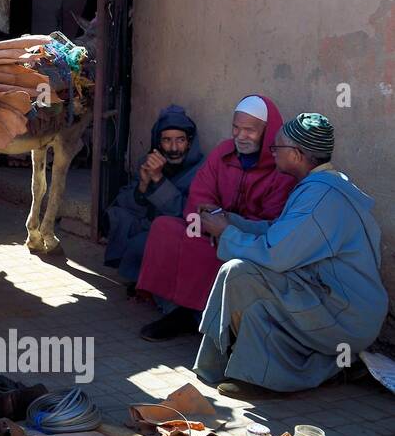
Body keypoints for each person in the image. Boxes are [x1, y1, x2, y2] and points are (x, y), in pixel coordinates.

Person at [195, 114, 387, 398]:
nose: (271, 153)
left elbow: (275, 253)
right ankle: (256, 369)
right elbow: (279, 233)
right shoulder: (321, 186)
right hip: (330, 298)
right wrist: (232, 222)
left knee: (238, 274)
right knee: (248, 286)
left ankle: (265, 375)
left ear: (296, 154)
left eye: (277, 148)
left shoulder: (321, 196)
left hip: (345, 314)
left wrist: (225, 232)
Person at [135, 95, 296, 341]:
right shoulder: (223, 153)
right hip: (209, 230)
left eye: (250, 130)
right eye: (236, 128)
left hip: (245, 242)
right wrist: (210, 222)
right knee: (165, 228)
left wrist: (228, 230)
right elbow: (200, 196)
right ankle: (177, 309)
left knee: (208, 252)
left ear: (267, 132)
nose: (241, 136)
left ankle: (194, 314)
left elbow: (271, 222)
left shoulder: (279, 169)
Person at [105, 105, 202, 286]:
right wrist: (143, 185)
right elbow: (126, 201)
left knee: (144, 242)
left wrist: (158, 179)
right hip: (149, 223)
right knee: (119, 214)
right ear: (158, 143)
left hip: (180, 230)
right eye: (167, 140)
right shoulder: (148, 162)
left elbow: (190, 213)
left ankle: (151, 283)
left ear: (189, 142)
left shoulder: (201, 170)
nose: (174, 148)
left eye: (180, 140)